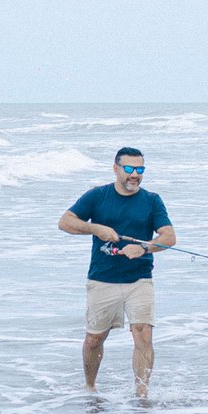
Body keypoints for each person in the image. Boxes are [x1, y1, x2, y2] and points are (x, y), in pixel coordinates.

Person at [57, 147, 175, 397]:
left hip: (140, 279)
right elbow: (65, 222)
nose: (135, 174)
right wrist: (96, 229)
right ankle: (90, 388)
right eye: (129, 168)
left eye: (140, 169)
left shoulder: (152, 200)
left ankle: (142, 394)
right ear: (115, 168)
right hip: (102, 279)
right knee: (94, 339)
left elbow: (169, 237)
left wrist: (143, 248)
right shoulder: (97, 196)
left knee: (143, 333)